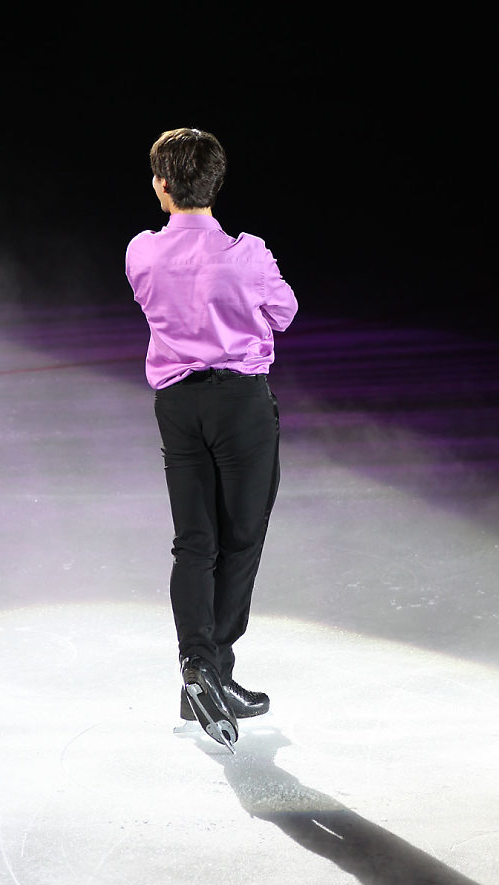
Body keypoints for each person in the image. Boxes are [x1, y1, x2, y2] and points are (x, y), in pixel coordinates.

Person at [125, 127, 298, 751]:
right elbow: (284, 312)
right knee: (242, 538)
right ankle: (214, 665)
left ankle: (200, 670)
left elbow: (153, 302)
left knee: (194, 541)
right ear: (214, 183)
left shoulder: (140, 251)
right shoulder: (247, 254)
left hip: (177, 404)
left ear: (164, 186)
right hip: (239, 405)